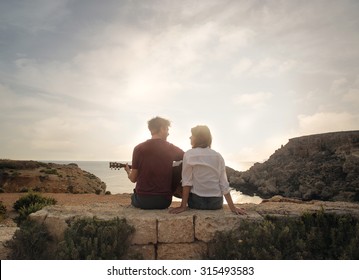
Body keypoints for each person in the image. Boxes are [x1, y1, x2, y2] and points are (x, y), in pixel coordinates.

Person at [170, 125, 245, 215]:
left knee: (176, 171)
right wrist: (232, 207)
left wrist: (183, 206)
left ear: (197, 138)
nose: (190, 137)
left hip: (196, 203)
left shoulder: (189, 154)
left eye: (192, 135)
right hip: (216, 203)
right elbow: (223, 184)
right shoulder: (218, 156)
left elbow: (187, 182)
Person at [125, 116, 184, 209]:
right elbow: (187, 158)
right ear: (162, 129)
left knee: (133, 197)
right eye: (167, 130)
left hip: (142, 201)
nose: (168, 133)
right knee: (180, 165)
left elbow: (133, 179)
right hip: (164, 201)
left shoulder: (138, 148)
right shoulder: (171, 148)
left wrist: (128, 171)